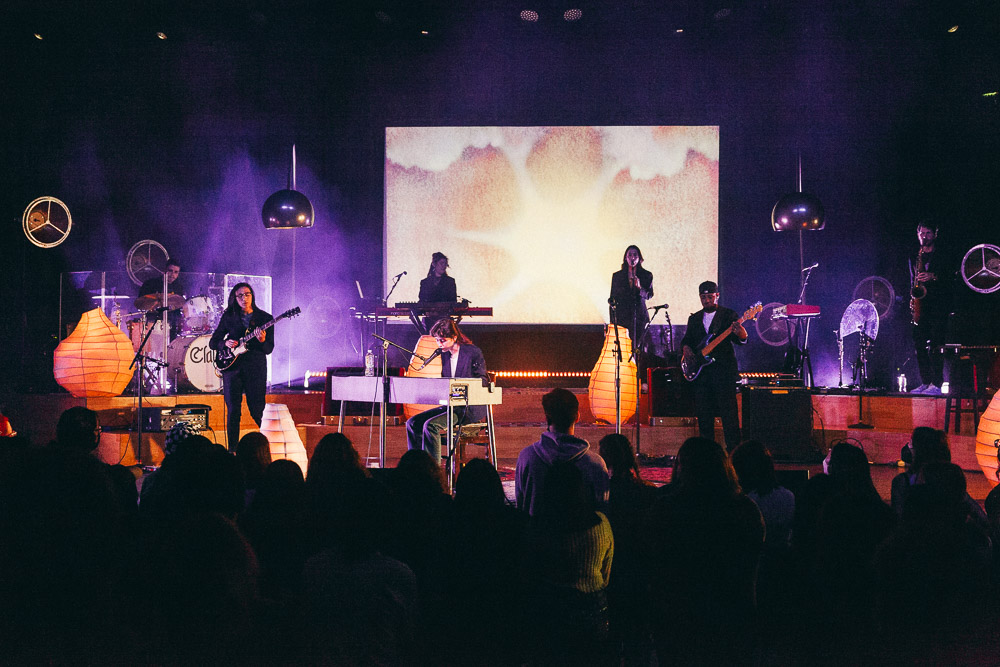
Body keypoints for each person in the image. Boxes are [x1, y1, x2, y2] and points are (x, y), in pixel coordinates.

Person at [515, 387, 610, 516]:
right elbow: (602, 512)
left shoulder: (527, 457)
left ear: (547, 418)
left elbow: (521, 506)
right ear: (577, 416)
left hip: (538, 535)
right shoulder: (595, 463)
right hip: (583, 535)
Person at [405, 317, 487, 465]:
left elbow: (482, 379)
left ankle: (433, 471)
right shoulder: (444, 355)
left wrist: (464, 387)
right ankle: (416, 466)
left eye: (442, 340)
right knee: (412, 423)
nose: (438, 344)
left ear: (454, 337)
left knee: (431, 426)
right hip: (452, 405)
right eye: (437, 340)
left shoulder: (472, 352)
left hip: (468, 408)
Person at [680, 280, 748, 451]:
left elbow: (741, 339)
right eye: (703, 297)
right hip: (702, 375)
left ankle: (734, 454)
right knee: (704, 417)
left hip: (723, 374)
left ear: (717, 296)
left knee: (729, 416)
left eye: (710, 297)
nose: (707, 300)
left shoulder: (728, 316)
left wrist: (741, 332)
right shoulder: (694, 319)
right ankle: (707, 454)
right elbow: (687, 340)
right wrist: (686, 350)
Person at [210, 283, 274, 452]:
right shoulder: (229, 316)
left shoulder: (265, 318)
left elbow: (268, 349)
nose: (244, 298)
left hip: (255, 369)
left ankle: (267, 448)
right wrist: (225, 343)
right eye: (240, 296)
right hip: (232, 368)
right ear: (234, 298)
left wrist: (261, 341)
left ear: (252, 295)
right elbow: (213, 342)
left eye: (247, 294)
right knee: (233, 411)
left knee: (257, 409)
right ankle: (232, 450)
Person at [908, 221, 951, 395]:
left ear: (935, 234)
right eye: (921, 233)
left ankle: (937, 383)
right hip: (921, 304)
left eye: (927, 233)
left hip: (938, 305)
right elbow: (912, 279)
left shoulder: (942, 255)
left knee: (935, 345)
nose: (924, 237)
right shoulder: (915, 256)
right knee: (919, 345)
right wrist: (913, 297)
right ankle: (925, 382)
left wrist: (933, 276)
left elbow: (951, 276)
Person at [609, 245, 654, 362]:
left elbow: (649, 295)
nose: (632, 258)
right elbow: (612, 298)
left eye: (635, 255)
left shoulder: (646, 275)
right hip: (622, 317)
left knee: (638, 349)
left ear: (639, 258)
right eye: (630, 255)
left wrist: (640, 288)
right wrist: (612, 321)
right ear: (625, 258)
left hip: (639, 317)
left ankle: (639, 375)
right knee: (624, 349)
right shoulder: (617, 276)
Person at [138, 259, 185, 338]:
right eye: (170, 271)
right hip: (153, 320)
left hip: (171, 323)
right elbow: (141, 302)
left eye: (176, 272)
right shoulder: (150, 284)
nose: (172, 275)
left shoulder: (178, 287)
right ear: (164, 270)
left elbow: (180, 307)